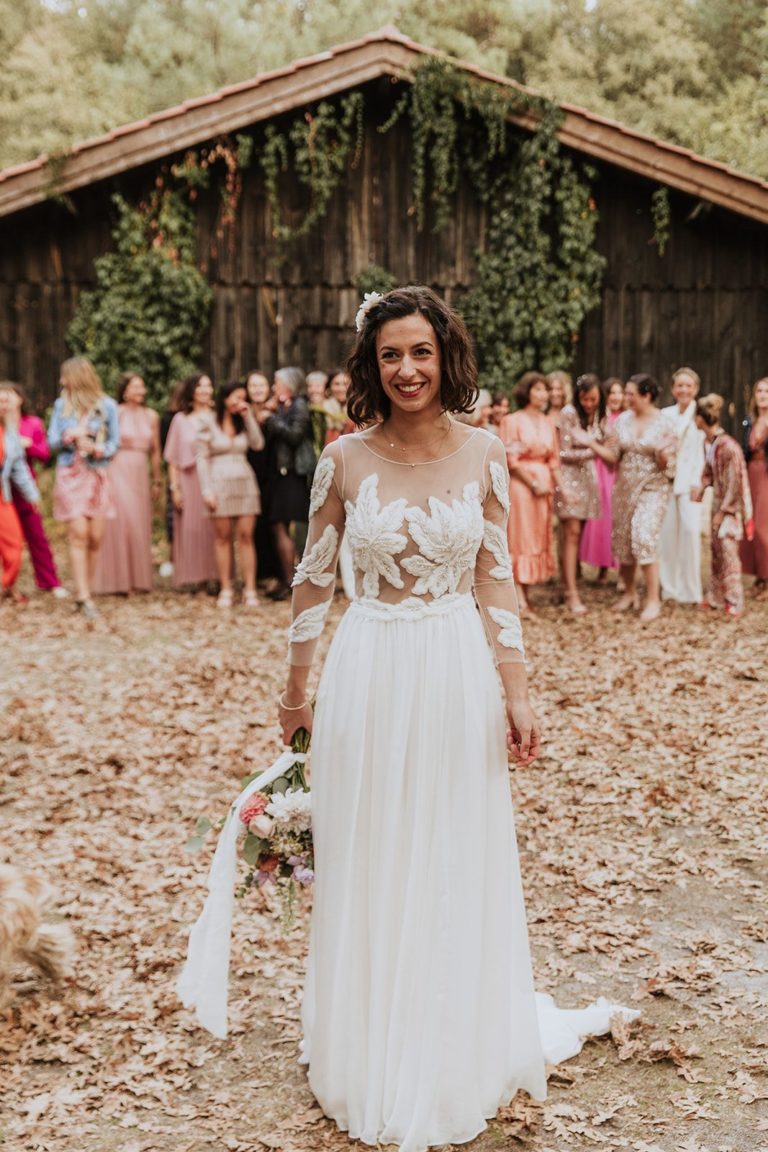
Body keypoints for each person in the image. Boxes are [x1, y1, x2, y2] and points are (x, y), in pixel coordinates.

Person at [278, 286, 547, 1149]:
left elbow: (496, 575)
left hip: (453, 669)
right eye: (391, 354)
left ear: (446, 357)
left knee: (448, 845)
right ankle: (366, 1043)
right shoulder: (344, 460)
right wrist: (296, 693)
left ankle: (446, 1042)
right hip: (368, 670)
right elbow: (313, 580)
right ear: (371, 363)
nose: (407, 370)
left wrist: (517, 687)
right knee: (371, 846)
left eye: (420, 352)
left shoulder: (486, 453)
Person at [600, 374, 675, 623]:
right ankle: (630, 592)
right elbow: (613, 456)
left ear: (647, 395)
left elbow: (668, 465)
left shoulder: (665, 422)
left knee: (643, 535)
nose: (626, 398)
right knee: (623, 539)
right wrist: (594, 444)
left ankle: (653, 598)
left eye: (631, 394)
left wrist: (663, 454)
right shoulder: (622, 420)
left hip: (653, 487)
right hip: (624, 487)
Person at [48, 356, 120, 617]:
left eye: (64, 376)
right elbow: (52, 441)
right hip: (70, 474)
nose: (61, 381)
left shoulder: (108, 406)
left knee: (95, 537)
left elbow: (115, 443)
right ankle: (83, 596)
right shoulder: (61, 406)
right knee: (79, 532)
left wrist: (99, 449)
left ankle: (86, 589)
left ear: (77, 377)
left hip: (97, 475)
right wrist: (70, 436)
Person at [499, 372, 569, 612]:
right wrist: (532, 482)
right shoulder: (512, 421)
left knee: (538, 536)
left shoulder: (548, 422)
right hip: (521, 486)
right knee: (520, 536)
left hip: (544, 486)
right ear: (527, 392)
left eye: (545, 390)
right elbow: (510, 458)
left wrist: (563, 488)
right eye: (538, 389)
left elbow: (553, 459)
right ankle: (517, 594)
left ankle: (526, 590)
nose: (544, 394)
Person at [196, 379, 264, 608]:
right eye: (236, 397)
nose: (239, 401)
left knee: (246, 537)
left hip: (244, 481)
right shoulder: (209, 421)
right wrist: (206, 490)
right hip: (218, 481)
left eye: (242, 397)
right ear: (224, 399)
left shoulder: (245, 421)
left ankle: (250, 589)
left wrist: (248, 416)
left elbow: (257, 444)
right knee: (223, 538)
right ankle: (226, 588)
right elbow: (201, 458)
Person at [93, 373, 161, 596]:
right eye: (136, 386)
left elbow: (155, 451)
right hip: (118, 468)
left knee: (140, 522)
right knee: (122, 520)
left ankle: (138, 579)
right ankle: (118, 580)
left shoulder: (151, 415)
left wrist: (157, 479)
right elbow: (106, 440)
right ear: (125, 390)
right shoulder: (116, 412)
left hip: (141, 471)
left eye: (142, 386)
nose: (141, 390)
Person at [0, 382, 66, 597]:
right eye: (1, 399)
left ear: (20, 399)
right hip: (6, 490)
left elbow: (43, 455)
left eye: (8, 397)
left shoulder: (31, 423)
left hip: (20, 489)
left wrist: (28, 445)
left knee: (35, 536)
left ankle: (49, 581)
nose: (4, 402)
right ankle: (10, 586)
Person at [692, 393, 751, 618]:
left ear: (701, 418)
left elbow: (736, 481)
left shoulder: (728, 446)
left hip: (729, 507)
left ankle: (735, 600)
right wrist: (701, 489)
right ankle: (716, 596)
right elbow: (709, 472)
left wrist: (724, 511)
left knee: (728, 551)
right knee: (716, 550)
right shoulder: (710, 443)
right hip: (716, 501)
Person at [555, 374, 607, 614]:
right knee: (571, 532)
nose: (589, 403)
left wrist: (591, 445)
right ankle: (570, 593)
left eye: (593, 399)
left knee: (577, 534)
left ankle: (568, 582)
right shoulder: (568, 413)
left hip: (587, 479)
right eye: (585, 399)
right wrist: (593, 450)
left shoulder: (597, 416)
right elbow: (562, 453)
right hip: (569, 477)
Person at [260, 367, 313, 600]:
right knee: (278, 526)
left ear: (289, 385)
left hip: (290, 474)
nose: (273, 387)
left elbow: (295, 435)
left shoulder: (300, 405)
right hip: (281, 473)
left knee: (282, 526)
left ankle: (291, 580)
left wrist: (271, 419)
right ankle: (287, 577)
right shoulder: (286, 405)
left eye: (276, 383)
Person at [163, 373, 218, 592]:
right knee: (191, 528)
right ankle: (193, 576)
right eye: (200, 386)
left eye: (208, 385)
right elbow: (172, 459)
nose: (205, 390)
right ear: (192, 392)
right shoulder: (180, 420)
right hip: (188, 478)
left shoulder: (218, 416)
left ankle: (214, 575)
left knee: (213, 528)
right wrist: (174, 488)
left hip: (214, 478)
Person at [658, 367, 705, 604]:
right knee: (667, 535)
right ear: (673, 388)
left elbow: (704, 451)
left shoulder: (702, 413)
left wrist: (700, 481)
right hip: (667, 480)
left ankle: (691, 590)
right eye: (680, 385)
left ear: (695, 388)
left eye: (688, 385)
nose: (684, 390)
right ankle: (669, 588)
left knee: (690, 533)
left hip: (691, 482)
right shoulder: (665, 414)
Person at [579, 377, 623, 582]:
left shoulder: (625, 419)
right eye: (612, 393)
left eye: (619, 392)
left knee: (617, 519)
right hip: (599, 471)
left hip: (617, 472)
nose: (616, 396)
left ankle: (622, 572)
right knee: (601, 519)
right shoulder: (601, 419)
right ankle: (602, 568)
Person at [0, 386, 41, 602]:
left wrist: (32, 495)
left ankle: (6, 584)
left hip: (2, 497)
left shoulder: (10, 433)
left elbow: (19, 468)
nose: (3, 405)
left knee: (14, 544)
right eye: (0, 401)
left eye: (6, 401)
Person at [245, 369, 281, 586]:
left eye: (261, 385)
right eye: (253, 386)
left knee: (272, 522)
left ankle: (274, 573)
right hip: (249, 473)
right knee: (253, 525)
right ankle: (257, 575)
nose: (257, 389)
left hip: (273, 473)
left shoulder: (276, 411)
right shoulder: (242, 412)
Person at [740, 376, 768, 599]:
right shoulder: (749, 421)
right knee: (750, 524)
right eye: (759, 391)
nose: (762, 395)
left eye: (767, 391)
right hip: (751, 474)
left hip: (767, 474)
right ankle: (759, 576)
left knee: (762, 526)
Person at [545, 370, 571, 437]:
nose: (554, 393)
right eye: (551, 389)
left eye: (559, 389)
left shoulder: (571, 413)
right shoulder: (542, 413)